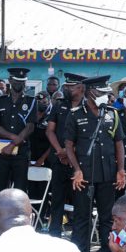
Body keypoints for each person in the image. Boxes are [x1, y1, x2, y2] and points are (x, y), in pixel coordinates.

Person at [64, 75, 126, 252]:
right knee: (81, 218)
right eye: (101, 92)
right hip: (84, 175)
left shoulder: (112, 114)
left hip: (108, 174)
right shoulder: (75, 114)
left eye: (106, 93)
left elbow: (119, 144)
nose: (105, 96)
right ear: (90, 92)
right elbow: (69, 145)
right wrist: (76, 170)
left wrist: (121, 170)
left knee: (107, 219)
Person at [44, 72, 85, 238]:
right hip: (59, 158)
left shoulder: (88, 106)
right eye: (66, 86)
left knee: (80, 201)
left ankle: (78, 236)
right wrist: (61, 151)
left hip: (79, 163)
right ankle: (55, 233)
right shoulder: (59, 105)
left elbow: (88, 135)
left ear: (80, 88)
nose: (66, 89)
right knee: (57, 199)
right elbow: (50, 130)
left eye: (70, 86)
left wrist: (70, 153)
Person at [0, 67, 36, 204]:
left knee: (20, 191)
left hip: (21, 154)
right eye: (16, 81)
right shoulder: (0, 101)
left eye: (22, 81)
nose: (19, 84)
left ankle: (19, 216)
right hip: (1, 151)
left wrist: (13, 144)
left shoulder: (31, 101)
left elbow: (30, 127)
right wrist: (14, 138)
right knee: (0, 190)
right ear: (10, 81)